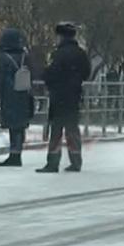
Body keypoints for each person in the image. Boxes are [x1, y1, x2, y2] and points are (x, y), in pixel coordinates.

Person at [37, 22, 91, 173]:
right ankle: (76, 161)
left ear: (60, 36)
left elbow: (50, 73)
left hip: (59, 96)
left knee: (56, 130)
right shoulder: (81, 53)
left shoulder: (57, 54)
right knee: (72, 129)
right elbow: (87, 72)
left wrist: (48, 79)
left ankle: (53, 163)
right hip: (74, 96)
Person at [0, 28, 33, 167]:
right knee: (20, 126)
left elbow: (0, 80)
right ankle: (17, 152)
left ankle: (13, 155)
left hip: (9, 95)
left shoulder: (4, 58)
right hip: (24, 93)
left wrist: (0, 93)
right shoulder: (25, 56)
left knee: (13, 125)